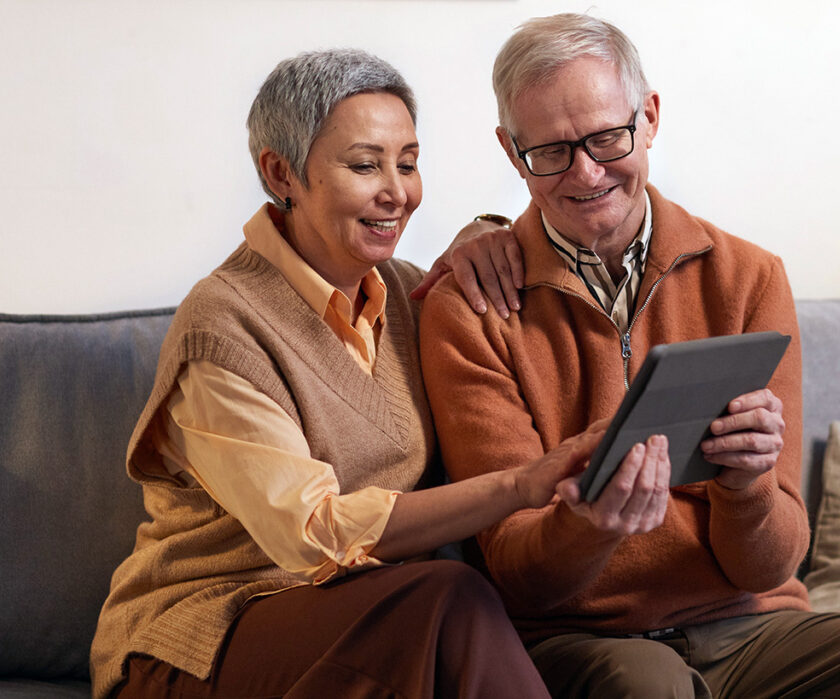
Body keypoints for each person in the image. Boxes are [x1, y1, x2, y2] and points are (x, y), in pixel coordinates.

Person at [419, 13, 840, 698]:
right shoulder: (471, 308)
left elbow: (773, 561)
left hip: (749, 627)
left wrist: (746, 487)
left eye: (608, 137)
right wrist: (587, 527)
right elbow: (519, 571)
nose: (585, 172)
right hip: (580, 638)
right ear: (510, 150)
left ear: (650, 117)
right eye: (549, 151)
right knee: (647, 685)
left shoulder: (748, 277)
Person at [89, 48, 606, 699]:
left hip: (378, 625)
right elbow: (313, 534)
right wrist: (521, 484)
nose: (398, 191)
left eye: (409, 163)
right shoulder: (221, 325)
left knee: (446, 611)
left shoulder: (411, 297)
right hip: (197, 645)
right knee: (449, 600)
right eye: (366, 165)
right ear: (281, 172)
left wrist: (495, 232)